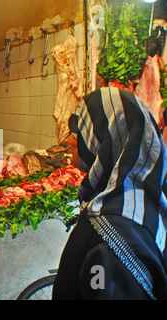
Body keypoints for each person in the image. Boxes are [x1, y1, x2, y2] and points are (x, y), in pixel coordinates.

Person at [52, 87, 167, 299]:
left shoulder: (108, 234)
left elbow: (104, 288)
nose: (70, 144)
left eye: (78, 142)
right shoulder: (147, 201)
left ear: (102, 143)